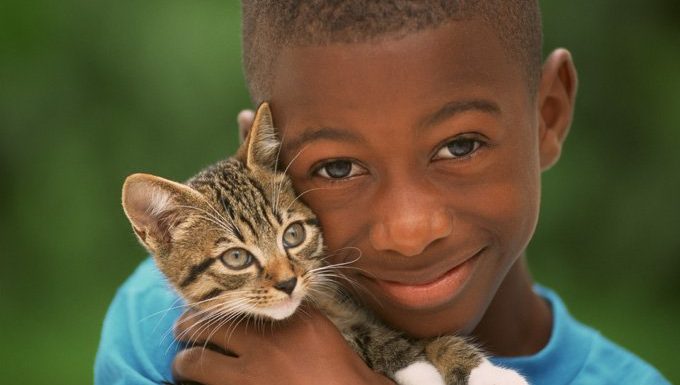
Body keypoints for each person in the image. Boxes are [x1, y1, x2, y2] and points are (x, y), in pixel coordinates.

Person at [95, 1, 670, 384]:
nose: (410, 228)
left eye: (461, 145)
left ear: (547, 117)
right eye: (339, 166)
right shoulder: (156, 332)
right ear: (270, 162)